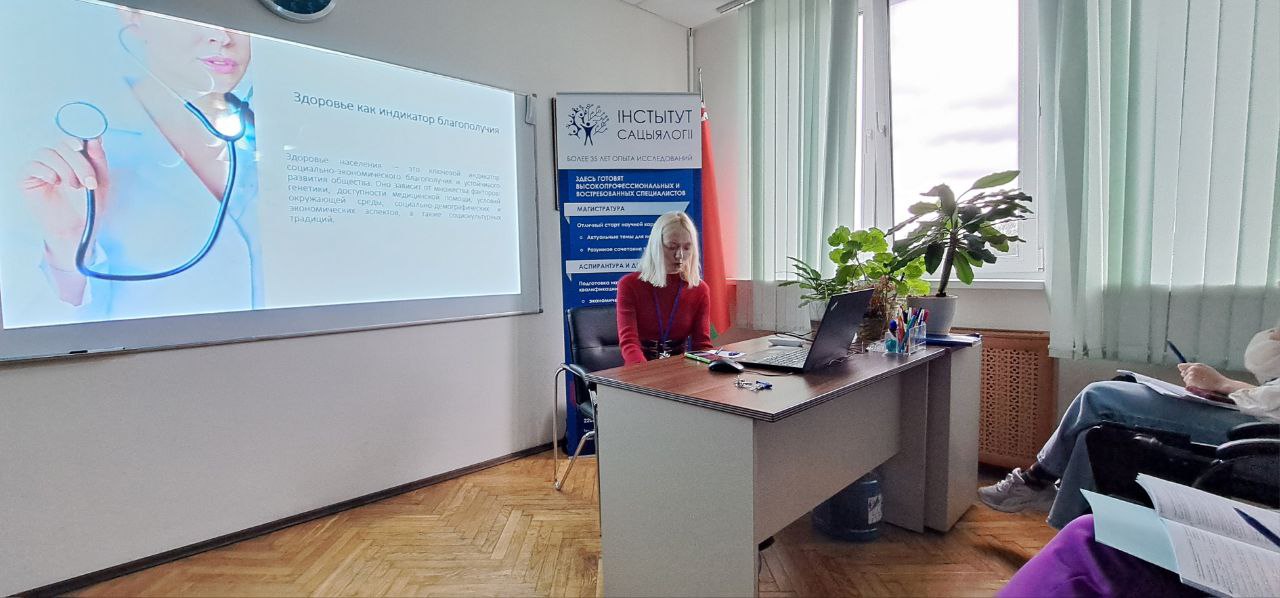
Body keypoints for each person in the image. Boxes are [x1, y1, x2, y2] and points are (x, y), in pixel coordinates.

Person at [11, 9, 259, 326]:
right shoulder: (57, 149)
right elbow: (42, 337)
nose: (223, 37)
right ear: (132, 15)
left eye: (240, 16)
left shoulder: (277, 137)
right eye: (196, 9)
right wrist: (68, 241)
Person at [979, 324, 1280, 528]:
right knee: (1099, 424)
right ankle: (1066, 525)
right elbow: (1264, 362)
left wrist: (1225, 384)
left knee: (1099, 397)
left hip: (1263, 434)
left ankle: (1034, 481)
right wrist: (1229, 388)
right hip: (1258, 414)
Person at [616, 212, 714, 365]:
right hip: (639, 370)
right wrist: (647, 374)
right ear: (656, 247)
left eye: (687, 248)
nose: (680, 255)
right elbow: (629, 343)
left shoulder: (699, 290)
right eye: (672, 247)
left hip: (679, 371)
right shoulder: (629, 285)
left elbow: (701, 345)